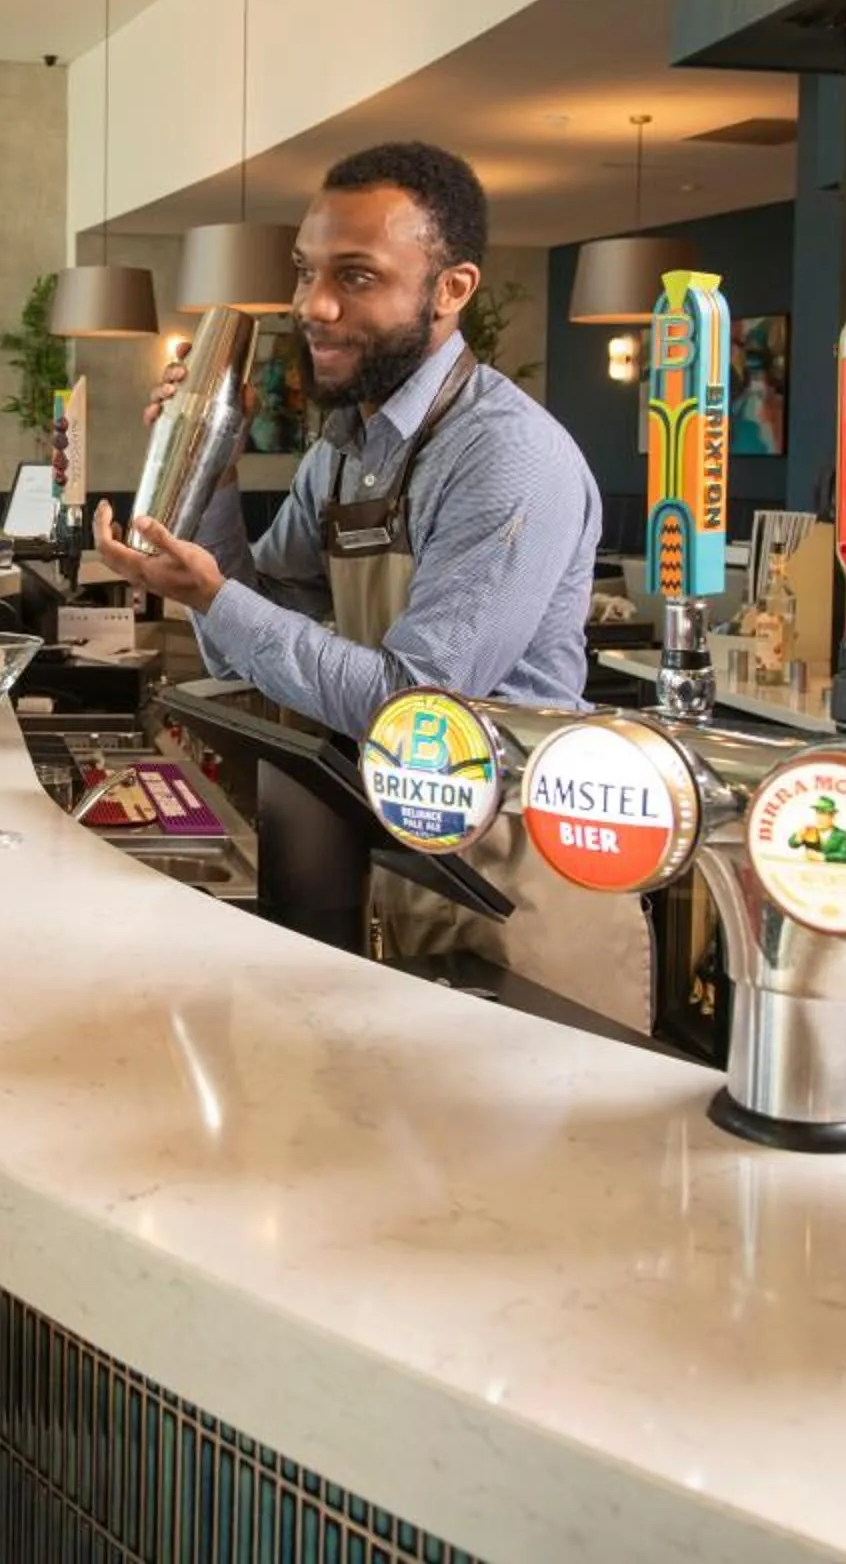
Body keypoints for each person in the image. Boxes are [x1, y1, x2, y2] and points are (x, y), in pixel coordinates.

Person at [91, 142, 639, 1027]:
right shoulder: (344, 452)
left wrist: (212, 598)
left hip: (514, 884)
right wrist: (217, 476)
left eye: (356, 276)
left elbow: (417, 710)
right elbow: (251, 635)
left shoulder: (507, 457)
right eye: (306, 271)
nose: (313, 305)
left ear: (451, 288)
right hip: (394, 852)